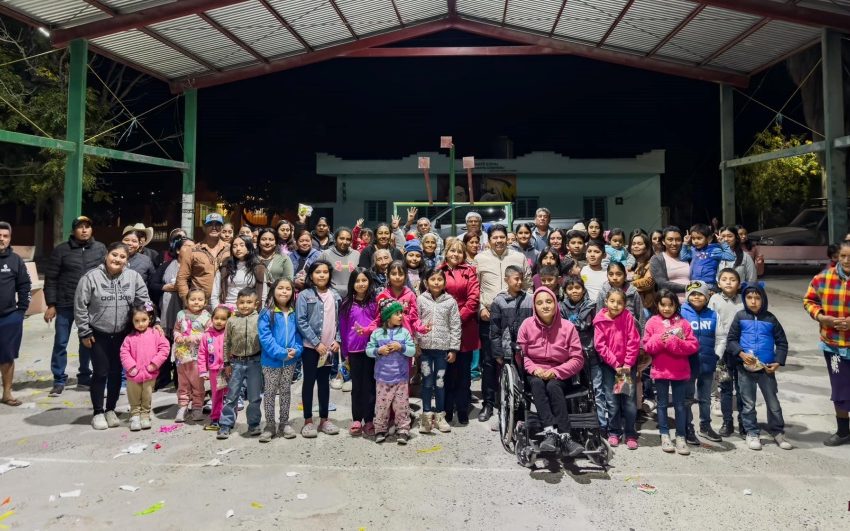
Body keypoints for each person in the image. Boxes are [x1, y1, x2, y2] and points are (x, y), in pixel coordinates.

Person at [74, 242, 153, 430]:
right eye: (114, 255)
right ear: (106, 255)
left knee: (116, 373)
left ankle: (110, 409)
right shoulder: (90, 278)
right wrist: (84, 331)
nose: (117, 259)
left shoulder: (133, 277)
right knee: (100, 372)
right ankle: (98, 412)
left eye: (122, 257)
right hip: (97, 334)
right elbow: (80, 306)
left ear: (127, 260)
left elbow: (145, 301)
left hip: (123, 335)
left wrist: (154, 321)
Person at [516, 286, 586, 456]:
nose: (545, 306)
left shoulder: (568, 327)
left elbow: (577, 359)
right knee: (538, 384)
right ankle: (550, 433)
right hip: (535, 373)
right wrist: (535, 369)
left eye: (549, 301)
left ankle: (565, 436)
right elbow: (521, 355)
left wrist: (556, 372)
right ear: (534, 306)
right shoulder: (526, 325)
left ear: (555, 304)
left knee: (553, 386)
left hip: (561, 372)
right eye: (540, 303)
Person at [474, 224, 530, 422]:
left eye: (501, 237)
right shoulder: (479, 259)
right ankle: (489, 404)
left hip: (516, 316)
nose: (498, 240)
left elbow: (528, 285)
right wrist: (481, 308)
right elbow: (475, 287)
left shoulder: (519, 257)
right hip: (489, 316)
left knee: (517, 359)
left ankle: (518, 403)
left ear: (507, 238)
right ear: (488, 241)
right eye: (494, 238)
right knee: (489, 362)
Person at [44, 215, 105, 395]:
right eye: (80, 227)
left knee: (87, 342)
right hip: (65, 304)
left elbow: (105, 274)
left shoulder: (100, 249)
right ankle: (58, 379)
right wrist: (51, 304)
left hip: (89, 305)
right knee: (61, 342)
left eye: (87, 226)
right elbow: (51, 278)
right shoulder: (61, 250)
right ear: (73, 230)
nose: (84, 230)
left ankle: (84, 377)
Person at [727, 284, 792, 451]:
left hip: (766, 369)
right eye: (749, 298)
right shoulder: (740, 316)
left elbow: (782, 343)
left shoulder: (770, 319)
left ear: (763, 299)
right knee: (748, 404)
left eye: (757, 298)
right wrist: (741, 355)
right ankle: (752, 432)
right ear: (744, 299)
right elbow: (731, 340)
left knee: (773, 403)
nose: (753, 301)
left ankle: (777, 431)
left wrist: (777, 362)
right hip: (745, 369)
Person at [803, 240, 850, 446]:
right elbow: (809, 301)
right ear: (836, 257)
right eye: (843, 256)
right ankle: (843, 431)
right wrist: (822, 317)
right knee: (839, 388)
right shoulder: (822, 278)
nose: (847, 261)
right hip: (833, 345)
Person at [644, 289, 699, 455]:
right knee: (661, 405)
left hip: (679, 371)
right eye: (663, 305)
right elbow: (647, 346)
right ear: (657, 305)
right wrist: (661, 339)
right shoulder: (652, 322)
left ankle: (681, 436)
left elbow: (693, 346)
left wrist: (674, 342)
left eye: (670, 305)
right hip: (660, 370)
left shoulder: (683, 323)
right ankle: (664, 434)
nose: (666, 309)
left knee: (680, 405)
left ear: (676, 305)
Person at [296, 260, 342, 437]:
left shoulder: (335, 295)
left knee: (324, 384)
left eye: (325, 272)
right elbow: (301, 321)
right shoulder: (304, 295)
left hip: (329, 350)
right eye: (317, 272)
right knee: (309, 383)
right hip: (311, 349)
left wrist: (337, 340)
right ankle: (308, 421)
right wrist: (316, 343)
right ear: (311, 275)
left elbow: (339, 321)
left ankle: (324, 419)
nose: (321, 275)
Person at [438, 239, 480, 425]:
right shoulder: (439, 271)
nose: (455, 254)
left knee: (463, 372)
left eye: (459, 252)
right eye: (452, 251)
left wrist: (457, 319)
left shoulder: (469, 272)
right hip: (442, 325)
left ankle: (462, 408)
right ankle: (446, 409)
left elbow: (473, 299)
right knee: (446, 372)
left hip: (465, 325)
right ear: (446, 252)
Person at [594, 288, 641, 449]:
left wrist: (627, 364)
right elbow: (600, 346)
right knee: (612, 401)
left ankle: (630, 433)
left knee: (628, 401)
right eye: (612, 301)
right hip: (610, 367)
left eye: (620, 302)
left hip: (626, 368)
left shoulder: (627, 317)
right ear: (606, 301)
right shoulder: (600, 320)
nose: (616, 305)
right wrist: (615, 365)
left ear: (625, 304)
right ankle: (614, 431)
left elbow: (633, 341)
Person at [258, 278, 303, 442]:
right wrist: (281, 353)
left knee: (285, 392)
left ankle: (284, 423)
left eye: (288, 289)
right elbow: (265, 338)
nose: (284, 291)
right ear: (273, 290)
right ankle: (270, 425)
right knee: (270, 393)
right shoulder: (266, 313)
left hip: (290, 362)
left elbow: (298, 335)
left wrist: (297, 350)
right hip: (271, 362)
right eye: (280, 288)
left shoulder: (293, 313)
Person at [417, 268, 461, 434]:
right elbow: (416, 322)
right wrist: (416, 345)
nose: (436, 282)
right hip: (426, 351)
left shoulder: (450, 302)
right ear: (426, 282)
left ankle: (440, 415)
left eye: (439, 279)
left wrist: (453, 348)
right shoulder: (421, 299)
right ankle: (427, 415)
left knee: (440, 382)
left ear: (444, 282)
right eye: (433, 279)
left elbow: (455, 326)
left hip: (442, 351)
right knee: (427, 382)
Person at [367, 299, 416, 444]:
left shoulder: (405, 333)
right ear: (387, 316)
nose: (401, 316)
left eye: (401, 312)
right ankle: (380, 430)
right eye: (397, 313)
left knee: (402, 407)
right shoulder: (377, 333)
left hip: (401, 378)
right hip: (382, 378)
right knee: (382, 407)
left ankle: (403, 430)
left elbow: (412, 350)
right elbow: (368, 350)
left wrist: (401, 348)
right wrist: (378, 350)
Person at [560, 276, 604, 431]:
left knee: (596, 389)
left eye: (577, 288)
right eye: (570, 288)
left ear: (584, 289)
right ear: (565, 291)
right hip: (570, 355)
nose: (574, 291)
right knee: (573, 390)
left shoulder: (592, 306)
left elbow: (597, 327)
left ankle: (600, 425)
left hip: (591, 353)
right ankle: (573, 423)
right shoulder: (560, 307)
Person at [218, 288, 263, 440]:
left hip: (255, 362)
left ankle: (254, 424)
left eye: (249, 302)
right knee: (231, 396)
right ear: (236, 303)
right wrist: (227, 363)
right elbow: (226, 343)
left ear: (256, 304)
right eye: (241, 302)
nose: (245, 306)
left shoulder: (259, 319)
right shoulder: (231, 320)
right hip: (235, 363)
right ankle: (225, 424)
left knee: (254, 396)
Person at [680, 281, 721, 443]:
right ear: (688, 296)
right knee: (687, 397)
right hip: (688, 363)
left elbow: (721, 337)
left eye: (700, 294)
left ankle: (705, 426)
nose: (697, 297)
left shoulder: (713, 315)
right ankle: (687, 427)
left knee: (705, 398)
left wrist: (716, 355)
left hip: (707, 363)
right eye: (693, 294)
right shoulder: (681, 313)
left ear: (707, 296)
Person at [340, 268, 378, 436]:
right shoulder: (346, 303)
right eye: (357, 281)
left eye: (364, 280)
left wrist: (368, 331)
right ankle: (357, 418)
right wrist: (345, 353)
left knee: (370, 385)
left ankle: (369, 419)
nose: (361, 284)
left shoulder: (375, 302)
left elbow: (378, 323)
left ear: (369, 282)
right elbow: (342, 328)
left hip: (372, 349)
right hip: (354, 350)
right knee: (357, 386)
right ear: (352, 284)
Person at [119, 303, 169, 431]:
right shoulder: (129, 338)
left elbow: (164, 348)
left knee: (147, 395)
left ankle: (145, 414)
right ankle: (135, 415)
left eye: (144, 320)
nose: (140, 324)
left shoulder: (155, 334)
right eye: (137, 321)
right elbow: (124, 353)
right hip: (133, 375)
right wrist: (130, 367)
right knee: (134, 396)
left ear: (150, 319)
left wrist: (154, 364)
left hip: (149, 373)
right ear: (132, 321)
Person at [710, 268, 744, 438]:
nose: (728, 282)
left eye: (733, 279)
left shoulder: (743, 300)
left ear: (739, 284)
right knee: (725, 387)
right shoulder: (714, 300)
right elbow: (711, 324)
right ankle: (727, 422)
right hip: (722, 351)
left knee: (742, 387)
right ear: (718, 283)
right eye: (724, 279)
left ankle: (744, 423)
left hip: (741, 350)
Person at [0, 222, 30, 407]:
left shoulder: (15, 260)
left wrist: (21, 311)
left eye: (5, 236)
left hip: (9, 317)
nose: (1, 238)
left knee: (7, 357)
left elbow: (24, 285)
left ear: (10, 239)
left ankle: (7, 393)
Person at [172, 287, 210, 423]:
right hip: (182, 356)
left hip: (197, 357)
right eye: (193, 299)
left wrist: (194, 337)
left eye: (200, 300)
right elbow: (176, 328)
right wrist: (177, 336)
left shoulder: (206, 317)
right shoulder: (181, 314)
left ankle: (197, 406)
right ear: (187, 301)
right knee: (183, 382)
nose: (196, 302)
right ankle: (182, 406)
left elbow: (209, 334)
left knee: (197, 383)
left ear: (205, 302)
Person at [177, 213, 230, 303]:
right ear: (204, 228)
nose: (214, 227)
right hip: (199, 304)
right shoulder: (192, 251)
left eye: (217, 224)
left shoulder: (230, 250)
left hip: (224, 304)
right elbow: (182, 278)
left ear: (222, 228)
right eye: (210, 224)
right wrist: (187, 301)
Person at [198, 304, 231, 431]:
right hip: (214, 370)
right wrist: (202, 370)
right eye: (216, 318)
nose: (219, 321)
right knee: (216, 395)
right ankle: (215, 418)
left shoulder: (229, 334)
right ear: (211, 319)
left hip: (228, 369)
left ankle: (228, 418)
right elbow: (201, 354)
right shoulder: (206, 336)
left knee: (229, 394)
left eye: (223, 319)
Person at [211, 235, 266, 306]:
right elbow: (215, 294)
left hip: (249, 310)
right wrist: (218, 311)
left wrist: (260, 313)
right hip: (228, 310)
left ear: (249, 248)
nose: (238, 249)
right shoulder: (225, 266)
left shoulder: (258, 267)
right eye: (234, 246)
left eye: (241, 245)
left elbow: (263, 295)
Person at [680, 223, 735, 292]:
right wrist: (685, 243)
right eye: (693, 238)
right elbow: (683, 257)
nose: (696, 241)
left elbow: (730, 257)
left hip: (709, 285)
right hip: (695, 284)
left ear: (708, 239)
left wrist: (723, 243)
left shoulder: (714, 250)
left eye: (699, 238)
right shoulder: (693, 250)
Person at [595, 262, 642, 327]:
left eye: (619, 274)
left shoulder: (633, 293)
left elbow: (640, 316)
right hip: (609, 331)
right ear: (607, 276)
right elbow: (599, 316)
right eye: (611, 274)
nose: (614, 278)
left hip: (631, 331)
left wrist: (643, 336)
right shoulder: (603, 293)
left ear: (625, 275)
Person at [650, 226, 689, 303]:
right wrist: (689, 288)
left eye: (678, 240)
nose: (674, 243)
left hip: (694, 304)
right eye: (670, 239)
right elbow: (662, 283)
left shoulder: (688, 257)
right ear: (663, 242)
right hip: (670, 306)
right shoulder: (657, 259)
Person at [320, 227, 360, 298]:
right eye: (341, 238)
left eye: (348, 239)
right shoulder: (325, 254)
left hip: (352, 296)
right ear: (335, 239)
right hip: (332, 296)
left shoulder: (356, 254)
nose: (344, 242)